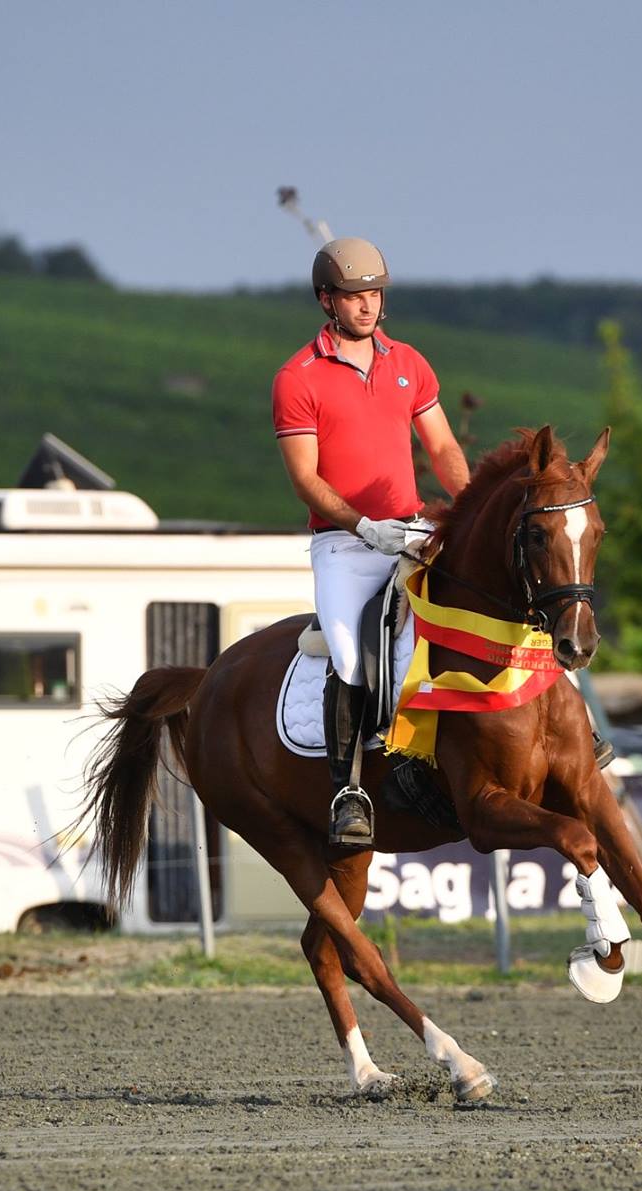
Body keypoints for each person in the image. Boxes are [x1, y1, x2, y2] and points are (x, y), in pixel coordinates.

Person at [272, 237, 470, 848]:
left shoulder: (410, 361)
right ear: (328, 300)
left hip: (412, 531)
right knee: (350, 655)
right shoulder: (297, 377)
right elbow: (306, 478)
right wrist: (361, 525)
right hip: (344, 545)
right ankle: (347, 789)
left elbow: (440, 448)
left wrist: (467, 508)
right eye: (356, 295)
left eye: (375, 294)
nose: (368, 305)